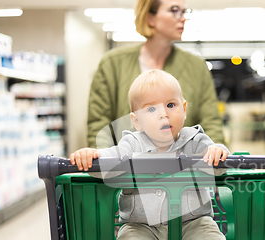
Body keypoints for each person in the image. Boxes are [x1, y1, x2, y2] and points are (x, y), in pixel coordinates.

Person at [71, 70, 228, 240]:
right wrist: (92, 156)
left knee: (212, 238)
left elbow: (220, 168)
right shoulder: (131, 144)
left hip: (193, 218)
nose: (164, 114)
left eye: (170, 105)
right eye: (151, 109)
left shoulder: (196, 140)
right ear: (136, 120)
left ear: (184, 108)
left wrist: (218, 151)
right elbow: (109, 163)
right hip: (142, 224)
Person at [87, 0, 225, 149]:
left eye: (184, 11)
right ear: (150, 18)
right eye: (174, 10)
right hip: (125, 168)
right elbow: (99, 125)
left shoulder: (196, 66)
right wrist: (107, 165)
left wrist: (214, 157)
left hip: (185, 168)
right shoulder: (112, 64)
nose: (183, 17)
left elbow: (211, 123)